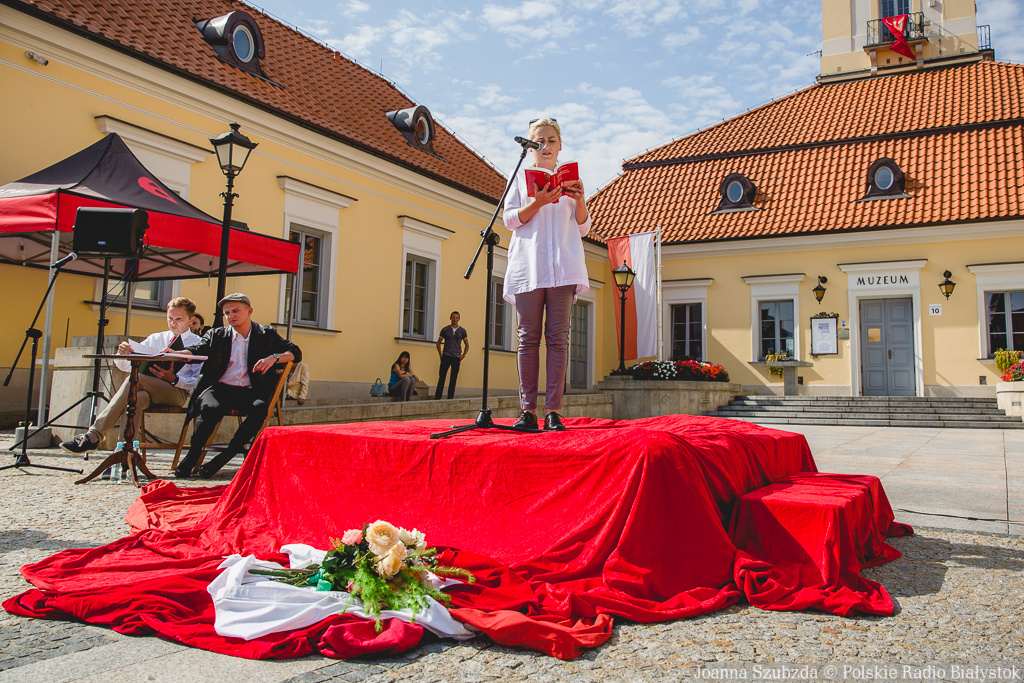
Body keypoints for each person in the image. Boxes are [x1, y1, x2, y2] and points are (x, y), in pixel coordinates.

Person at [502, 117, 590, 431]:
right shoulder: (520, 178)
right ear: (532, 146)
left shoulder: (572, 179)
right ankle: (528, 411)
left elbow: (583, 227)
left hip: (563, 267)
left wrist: (579, 201)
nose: (546, 146)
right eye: (540, 141)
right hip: (529, 267)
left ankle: (553, 410)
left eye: (551, 140)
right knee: (527, 339)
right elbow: (509, 220)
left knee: (558, 340)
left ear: (560, 144)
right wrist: (538, 202)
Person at [171, 293, 301, 479]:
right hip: (219, 389)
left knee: (260, 408)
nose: (231, 315)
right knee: (209, 408)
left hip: (249, 391)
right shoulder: (217, 334)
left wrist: (274, 358)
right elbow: (197, 349)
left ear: (249, 311)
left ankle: (226, 455)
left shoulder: (266, 334)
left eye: (235, 311)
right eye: (227, 312)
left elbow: (295, 352)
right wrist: (177, 353)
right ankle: (192, 457)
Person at [60, 297, 202, 454]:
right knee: (136, 398)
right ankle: (124, 455)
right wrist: (124, 355)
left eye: (179, 319)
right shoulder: (156, 338)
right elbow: (126, 367)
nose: (173, 323)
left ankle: (94, 435)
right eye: (170, 318)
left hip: (177, 393)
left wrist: (175, 379)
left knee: (136, 380)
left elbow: (199, 382)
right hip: (147, 388)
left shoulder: (198, 343)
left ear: (191, 320)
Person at [435, 311, 468, 400]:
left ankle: (450, 398)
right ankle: (437, 397)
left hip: (456, 357)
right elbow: (438, 342)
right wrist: (440, 354)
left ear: (459, 319)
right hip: (446, 355)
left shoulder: (462, 331)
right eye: (453, 317)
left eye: (456, 318)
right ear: (450, 318)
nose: (455, 319)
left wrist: (463, 355)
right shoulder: (445, 330)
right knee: (442, 377)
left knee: (453, 379)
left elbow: (467, 345)